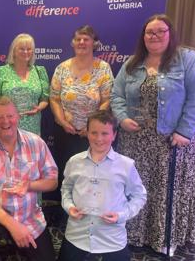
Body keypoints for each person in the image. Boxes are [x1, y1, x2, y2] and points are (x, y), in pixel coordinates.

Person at [111, 14, 195, 255]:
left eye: (160, 31)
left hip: (175, 141)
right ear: (143, 36)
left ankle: (167, 238)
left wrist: (185, 131)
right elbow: (116, 95)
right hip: (137, 142)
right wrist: (123, 118)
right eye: (149, 32)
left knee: (168, 190)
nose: (154, 36)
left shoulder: (188, 60)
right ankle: (138, 234)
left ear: (170, 33)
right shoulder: (132, 64)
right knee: (139, 188)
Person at [0, 96, 58, 261]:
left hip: (30, 218)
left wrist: (30, 185)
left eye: (10, 116)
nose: (5, 121)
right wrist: (13, 225)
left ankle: (16, 247)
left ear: (18, 116)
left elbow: (52, 181)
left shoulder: (36, 143)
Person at [58, 110, 147, 261]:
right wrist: (69, 207)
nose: (99, 139)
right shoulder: (74, 161)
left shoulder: (126, 165)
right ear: (87, 133)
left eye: (105, 133)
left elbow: (139, 196)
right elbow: (66, 189)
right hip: (77, 235)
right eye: (94, 133)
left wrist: (121, 216)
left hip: (112, 239)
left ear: (114, 135)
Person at [50, 25, 113, 190]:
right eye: (78, 39)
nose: (82, 42)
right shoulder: (62, 68)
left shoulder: (103, 68)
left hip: (93, 135)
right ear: (73, 43)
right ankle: (66, 212)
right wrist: (63, 122)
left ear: (94, 43)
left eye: (86, 39)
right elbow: (54, 98)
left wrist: (91, 127)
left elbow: (107, 100)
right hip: (65, 132)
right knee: (66, 174)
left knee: (91, 178)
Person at [0, 33, 49, 135]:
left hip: (32, 127)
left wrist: (39, 108)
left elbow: (45, 99)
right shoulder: (1, 72)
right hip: (7, 125)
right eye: (21, 49)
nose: (26, 52)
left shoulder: (39, 71)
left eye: (29, 49)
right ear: (14, 51)